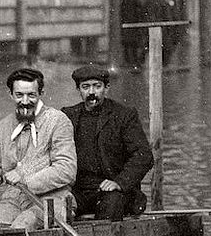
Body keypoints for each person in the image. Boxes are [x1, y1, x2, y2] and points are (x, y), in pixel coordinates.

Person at [0, 68, 77, 229]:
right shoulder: (3, 126)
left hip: (53, 200)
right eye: (19, 95)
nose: (25, 101)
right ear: (11, 94)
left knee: (21, 228)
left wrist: (25, 177)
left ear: (41, 93)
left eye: (31, 95)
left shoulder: (58, 121)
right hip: (13, 199)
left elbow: (67, 169)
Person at [62, 64, 153, 222]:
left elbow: (143, 156)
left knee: (112, 204)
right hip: (79, 190)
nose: (92, 92)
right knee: (57, 204)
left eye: (97, 86)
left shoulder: (124, 115)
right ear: (78, 89)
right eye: (86, 87)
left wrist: (119, 182)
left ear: (107, 88)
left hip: (114, 190)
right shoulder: (68, 115)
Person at [119, 0, 146, 68]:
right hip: (134, 26)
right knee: (134, 46)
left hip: (126, 26)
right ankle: (135, 62)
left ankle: (127, 62)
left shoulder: (124, 0)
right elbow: (140, 13)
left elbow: (121, 14)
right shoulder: (136, 0)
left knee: (127, 46)